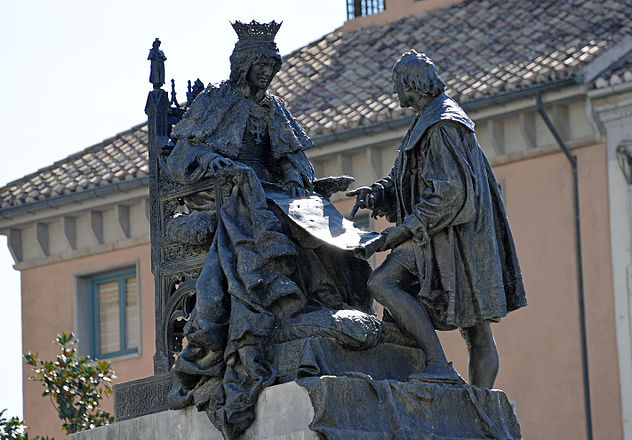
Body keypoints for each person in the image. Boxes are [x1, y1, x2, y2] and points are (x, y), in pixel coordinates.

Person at [165, 21, 375, 439]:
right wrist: (219, 164)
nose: (267, 72)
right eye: (261, 64)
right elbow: (184, 154)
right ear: (243, 65)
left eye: (272, 65)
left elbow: (292, 157)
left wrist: (297, 176)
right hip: (228, 191)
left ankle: (326, 301)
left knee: (322, 220)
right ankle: (281, 308)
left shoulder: (274, 108)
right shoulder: (215, 102)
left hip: (274, 190)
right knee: (276, 216)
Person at [349, 50, 527, 388]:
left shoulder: (443, 123)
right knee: (475, 328)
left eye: (397, 84)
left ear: (410, 84)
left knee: (383, 283)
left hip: (450, 238)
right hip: (440, 234)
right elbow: (406, 177)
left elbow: (447, 195)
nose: (395, 91)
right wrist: (377, 193)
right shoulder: (426, 119)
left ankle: (443, 369)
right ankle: (477, 402)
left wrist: (395, 235)